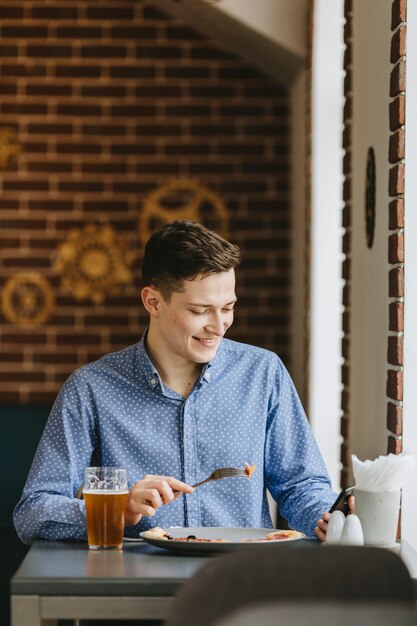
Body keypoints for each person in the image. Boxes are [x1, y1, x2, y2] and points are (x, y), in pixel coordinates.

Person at [14, 220, 339, 545]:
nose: (219, 326)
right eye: (200, 310)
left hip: (242, 582)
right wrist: (116, 508)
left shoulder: (263, 373)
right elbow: (33, 512)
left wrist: (327, 516)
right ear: (153, 302)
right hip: (133, 584)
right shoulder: (91, 389)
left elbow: (301, 485)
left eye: (227, 308)